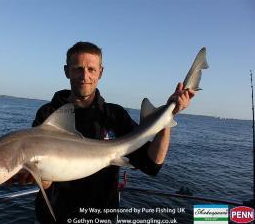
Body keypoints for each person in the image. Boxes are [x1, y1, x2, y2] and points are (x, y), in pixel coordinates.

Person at [14, 41, 195, 224]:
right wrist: (38, 178)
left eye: (91, 69)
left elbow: (151, 164)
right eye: (78, 68)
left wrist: (168, 118)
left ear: (101, 72)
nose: (85, 76)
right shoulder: (48, 115)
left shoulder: (114, 116)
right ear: (66, 71)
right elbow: (45, 181)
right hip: (54, 217)